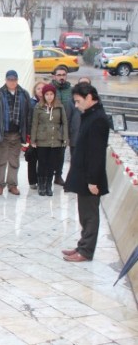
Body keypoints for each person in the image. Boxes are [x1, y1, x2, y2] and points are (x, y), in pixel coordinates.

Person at [62, 83, 109, 262]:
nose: (76, 105)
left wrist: (92, 180)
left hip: (91, 178)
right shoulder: (89, 115)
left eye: (78, 101)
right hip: (83, 175)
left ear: (89, 97)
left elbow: (97, 153)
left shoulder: (98, 119)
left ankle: (86, 251)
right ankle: (82, 245)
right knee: (84, 213)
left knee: (90, 215)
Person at [0, 70, 31, 196]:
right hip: (2, 133)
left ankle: (12, 185)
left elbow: (28, 114)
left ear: (17, 80)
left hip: (17, 134)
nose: (12, 82)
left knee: (14, 161)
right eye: (10, 80)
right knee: (0, 160)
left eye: (14, 80)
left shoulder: (24, 94)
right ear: (5, 80)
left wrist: (26, 132)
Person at [30, 83, 68, 196]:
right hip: (42, 139)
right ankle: (41, 185)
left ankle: (48, 185)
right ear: (43, 95)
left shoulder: (59, 107)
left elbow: (64, 123)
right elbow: (35, 124)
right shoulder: (38, 106)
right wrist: (33, 140)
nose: (49, 96)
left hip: (55, 139)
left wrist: (65, 138)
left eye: (51, 94)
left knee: (51, 164)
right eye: (47, 94)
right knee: (42, 163)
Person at [51, 66, 72, 186]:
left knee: (61, 153)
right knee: (48, 152)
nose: (61, 77)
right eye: (59, 75)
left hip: (65, 127)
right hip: (51, 125)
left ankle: (58, 176)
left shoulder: (71, 90)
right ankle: (45, 176)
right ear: (54, 76)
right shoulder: (49, 89)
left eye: (63, 75)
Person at [27, 81, 46, 190]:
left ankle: (41, 179)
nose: (40, 90)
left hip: (44, 135)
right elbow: (28, 118)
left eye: (42, 88)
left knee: (43, 159)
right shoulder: (31, 102)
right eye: (38, 88)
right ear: (35, 90)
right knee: (32, 158)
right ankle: (32, 180)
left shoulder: (49, 102)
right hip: (33, 135)